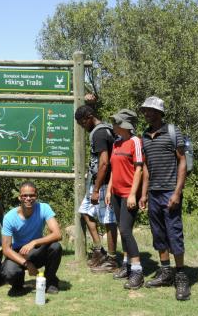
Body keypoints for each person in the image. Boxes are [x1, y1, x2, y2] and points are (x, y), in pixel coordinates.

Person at [139, 96, 191, 301]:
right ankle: (165, 272)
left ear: (160, 113)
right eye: (145, 110)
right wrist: (143, 193)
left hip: (170, 192)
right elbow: (146, 168)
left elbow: (182, 162)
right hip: (153, 193)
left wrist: (177, 192)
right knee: (159, 234)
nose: (147, 113)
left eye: (151, 110)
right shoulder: (144, 135)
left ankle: (180, 275)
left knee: (174, 234)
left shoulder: (172, 131)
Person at [74, 105, 118, 272]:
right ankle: (99, 250)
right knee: (85, 211)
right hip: (96, 181)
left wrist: (96, 189)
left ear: (90, 117)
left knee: (109, 220)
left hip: (104, 183)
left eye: (82, 123)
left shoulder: (99, 133)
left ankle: (112, 261)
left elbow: (105, 163)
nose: (82, 127)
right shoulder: (104, 129)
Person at [105, 109, 145, 289]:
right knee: (122, 230)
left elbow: (139, 169)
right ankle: (126, 265)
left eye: (116, 123)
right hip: (115, 193)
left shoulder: (135, 141)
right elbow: (114, 169)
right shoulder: (116, 143)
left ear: (124, 126)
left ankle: (137, 271)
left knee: (126, 230)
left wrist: (132, 194)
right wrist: (109, 190)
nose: (113, 126)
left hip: (129, 194)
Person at [1, 182, 62, 295]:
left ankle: (50, 281)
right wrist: (26, 264)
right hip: (19, 253)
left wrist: (34, 242)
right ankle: (18, 285)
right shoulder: (9, 217)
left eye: (31, 195)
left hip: (37, 251)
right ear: (19, 197)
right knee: (9, 272)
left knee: (55, 247)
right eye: (25, 195)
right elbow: (6, 249)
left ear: (36, 196)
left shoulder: (44, 208)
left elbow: (58, 234)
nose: (28, 198)